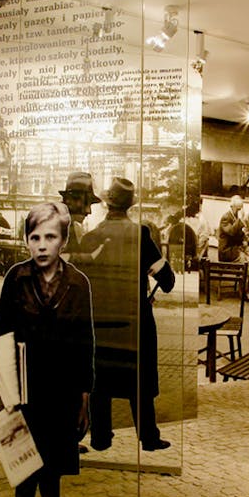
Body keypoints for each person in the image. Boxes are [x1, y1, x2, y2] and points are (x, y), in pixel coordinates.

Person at [0, 202, 94, 497]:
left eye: (50, 237)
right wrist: (5, 393)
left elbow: (86, 343)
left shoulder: (79, 283)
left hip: (62, 398)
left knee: (52, 488)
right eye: (34, 237)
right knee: (23, 486)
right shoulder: (15, 280)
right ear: (27, 240)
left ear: (64, 241)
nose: (41, 245)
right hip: (23, 398)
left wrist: (85, 396)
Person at [82, 177, 176, 453]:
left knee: (101, 380)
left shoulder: (92, 237)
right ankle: (148, 437)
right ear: (130, 205)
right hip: (136, 321)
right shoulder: (141, 235)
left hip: (101, 322)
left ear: (107, 203)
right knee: (141, 379)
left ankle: (100, 437)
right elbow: (168, 281)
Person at [217, 195, 247, 262]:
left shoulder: (236, 217)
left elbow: (240, 233)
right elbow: (231, 232)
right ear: (232, 207)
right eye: (238, 209)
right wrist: (240, 220)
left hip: (235, 248)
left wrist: (244, 240)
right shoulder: (226, 217)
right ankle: (246, 272)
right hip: (227, 250)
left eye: (241, 208)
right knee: (244, 258)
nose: (241, 211)